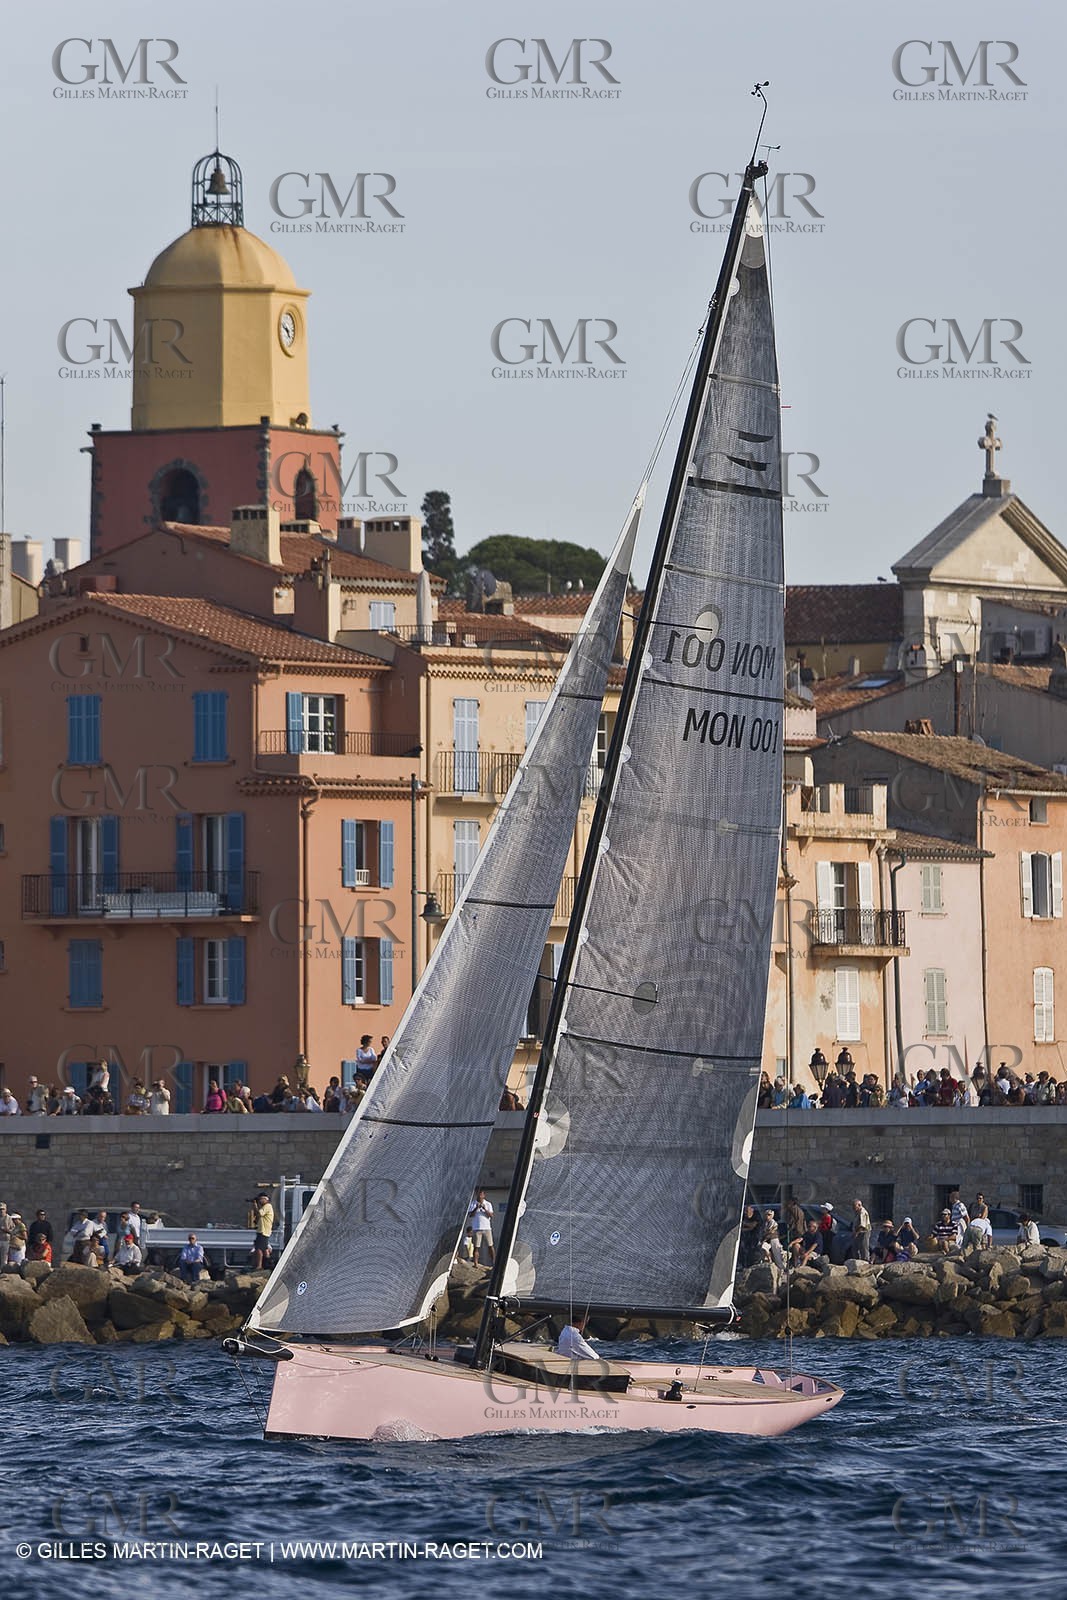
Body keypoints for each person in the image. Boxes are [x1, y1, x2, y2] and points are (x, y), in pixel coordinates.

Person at [467, 1189, 495, 1267]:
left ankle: (494, 1262)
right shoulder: (473, 1203)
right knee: (476, 1247)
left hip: (486, 1228)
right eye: (478, 1194)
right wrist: (476, 1208)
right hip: (476, 1228)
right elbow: (470, 1215)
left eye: (481, 1195)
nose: (479, 1196)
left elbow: (491, 1215)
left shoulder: (488, 1204)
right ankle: (476, 1263)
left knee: (490, 1245)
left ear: (483, 1195)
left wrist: (484, 1209)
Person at [248, 1193, 274, 1270]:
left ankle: (259, 1266)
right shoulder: (265, 1207)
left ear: (265, 1199)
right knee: (265, 1248)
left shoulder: (267, 1206)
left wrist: (255, 1205)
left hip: (263, 1231)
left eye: (260, 1199)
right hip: (263, 1230)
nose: (259, 1201)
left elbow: (259, 1213)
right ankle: (268, 1263)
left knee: (258, 1248)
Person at [738, 1205, 763, 1270]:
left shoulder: (756, 1216)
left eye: (747, 1211)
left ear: (752, 1210)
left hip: (755, 1238)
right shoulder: (743, 1217)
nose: (746, 1213)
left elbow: (752, 1226)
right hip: (746, 1238)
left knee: (754, 1251)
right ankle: (743, 1265)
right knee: (743, 1250)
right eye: (745, 1211)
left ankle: (755, 1264)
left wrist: (743, 1225)